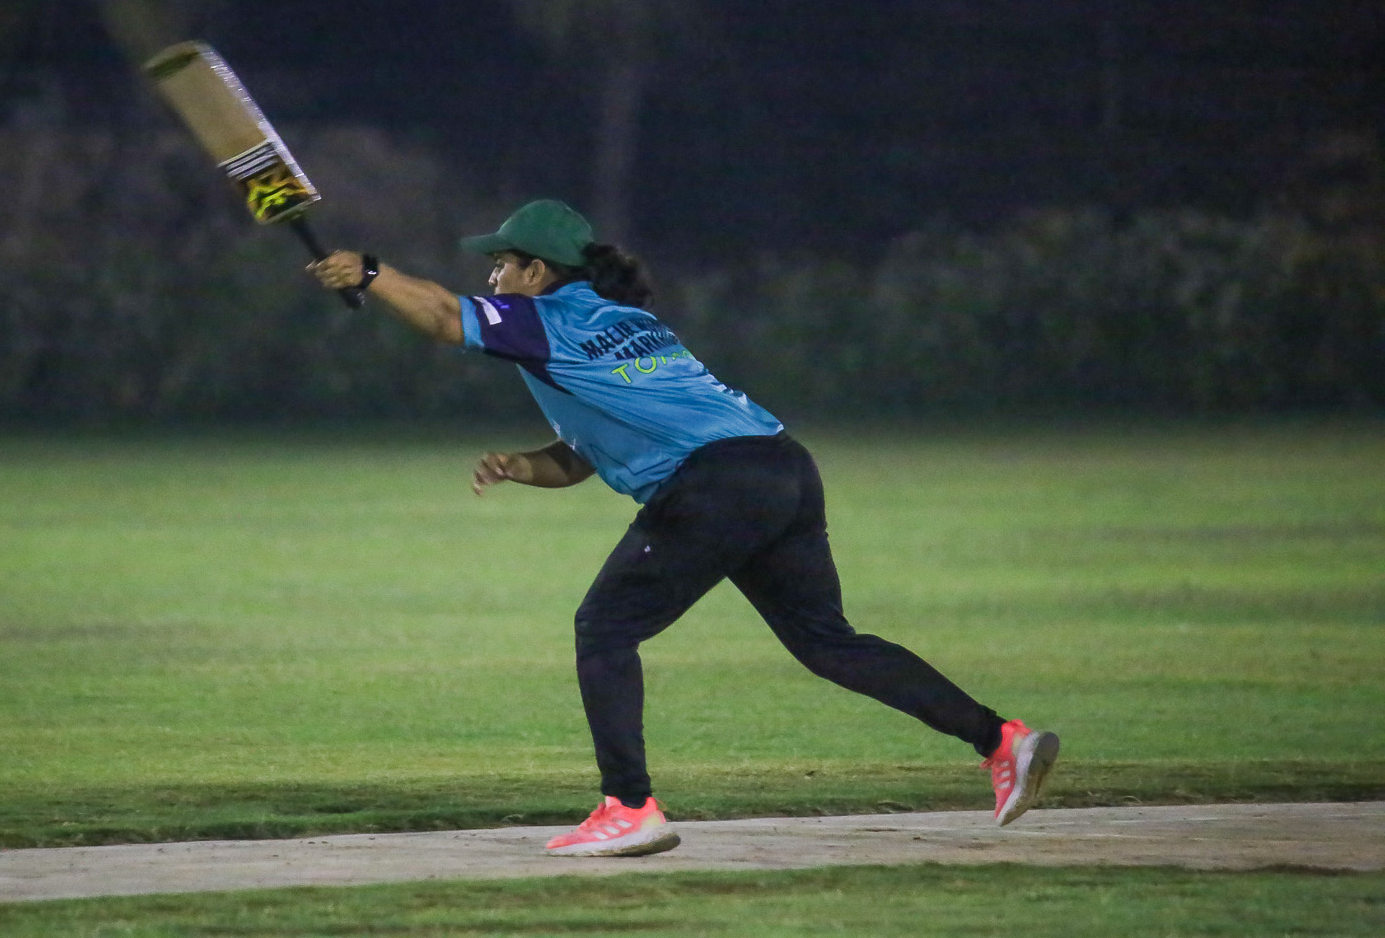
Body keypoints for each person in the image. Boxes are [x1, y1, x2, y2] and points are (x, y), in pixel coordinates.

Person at [309, 199, 1059, 858]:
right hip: (783, 467)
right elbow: (583, 457)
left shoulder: (546, 320)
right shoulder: (629, 323)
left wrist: (372, 273)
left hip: (715, 485)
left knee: (604, 626)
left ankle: (629, 807)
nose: (493, 278)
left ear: (536, 272)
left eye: (501, 265)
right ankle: (1001, 740)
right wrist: (521, 465)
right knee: (830, 643)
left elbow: (445, 316)